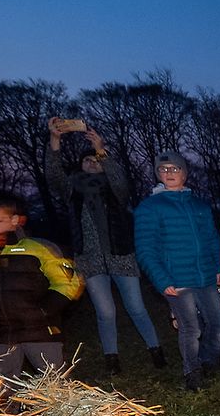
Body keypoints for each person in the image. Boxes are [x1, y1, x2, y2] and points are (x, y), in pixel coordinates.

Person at [46, 117, 165, 375]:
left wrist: (102, 150)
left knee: (136, 307)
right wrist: (55, 140)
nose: (91, 162)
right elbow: (54, 176)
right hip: (90, 259)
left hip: (121, 254)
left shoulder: (115, 189)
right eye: (87, 160)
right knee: (105, 312)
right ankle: (112, 358)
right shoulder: (72, 189)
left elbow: (120, 180)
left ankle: (156, 350)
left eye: (96, 160)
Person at [0, 190, 84, 379]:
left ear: (15, 221)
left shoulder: (39, 248)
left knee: (55, 382)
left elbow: (69, 282)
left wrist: (44, 311)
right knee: (0, 386)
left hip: (39, 331)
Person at [134, 151, 220, 392]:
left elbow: (212, 239)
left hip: (205, 275)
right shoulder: (149, 207)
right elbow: (145, 248)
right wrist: (161, 279)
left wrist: (218, 266)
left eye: (174, 169)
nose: (169, 173)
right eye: (163, 170)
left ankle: (209, 361)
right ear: (157, 174)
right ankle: (192, 371)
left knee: (217, 321)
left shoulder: (200, 205)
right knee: (191, 328)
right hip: (176, 279)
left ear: (184, 173)